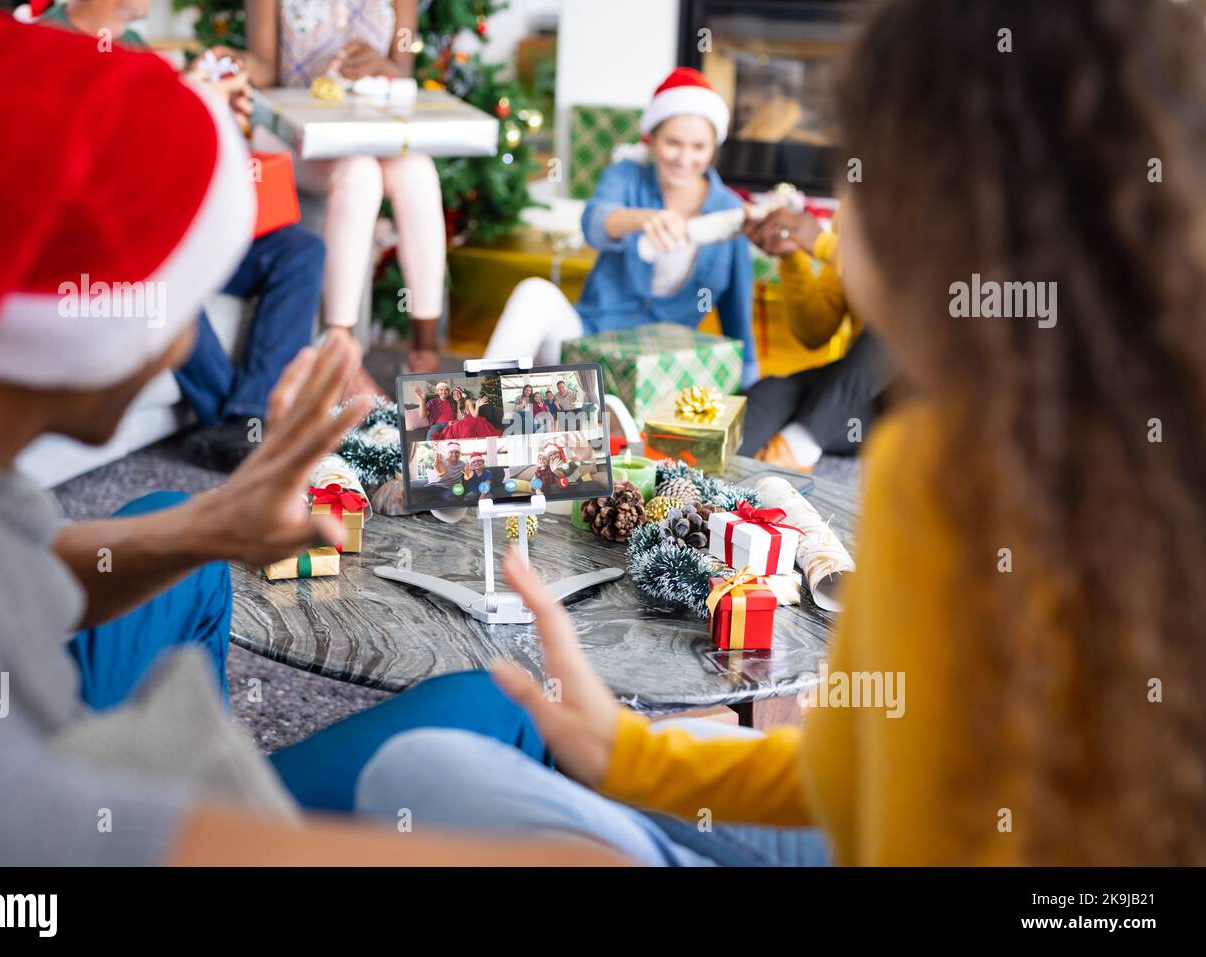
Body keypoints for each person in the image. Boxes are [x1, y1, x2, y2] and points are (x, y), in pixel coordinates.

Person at [344, 0, 1206, 866]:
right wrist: (624, 750)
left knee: (418, 775)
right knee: (431, 765)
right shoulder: (935, 458)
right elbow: (855, 775)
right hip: (850, 818)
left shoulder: (941, 484)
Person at [0, 12, 620, 867]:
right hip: (68, 825)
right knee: (505, 705)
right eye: (177, 305)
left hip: (84, 755)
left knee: (182, 520)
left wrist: (206, 528)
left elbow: (1, 571)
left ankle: (209, 757)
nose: (179, 347)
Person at [38, 0, 332, 472]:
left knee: (300, 250)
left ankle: (251, 418)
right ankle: (247, 426)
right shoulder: (45, 47)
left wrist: (215, 116)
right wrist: (187, 106)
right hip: (109, 249)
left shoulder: (133, 46)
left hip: (169, 230)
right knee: (166, 274)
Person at [483, 68, 759, 391]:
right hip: (588, 342)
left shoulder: (728, 213)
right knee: (535, 293)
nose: (685, 158)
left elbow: (738, 315)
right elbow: (594, 223)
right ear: (652, 139)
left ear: (713, 148)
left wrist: (750, 394)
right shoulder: (626, 176)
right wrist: (641, 219)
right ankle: (480, 409)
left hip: (660, 373)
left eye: (699, 147)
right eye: (673, 143)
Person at [245, 0, 447, 377]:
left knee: (418, 171)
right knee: (359, 174)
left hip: (368, 130)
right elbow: (265, 68)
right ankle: (341, 356)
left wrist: (381, 66)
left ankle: (425, 352)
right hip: (291, 134)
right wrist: (238, 65)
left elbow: (402, 71)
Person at [737, 207, 891, 472]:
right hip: (855, 390)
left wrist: (820, 242)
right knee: (767, 395)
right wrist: (791, 255)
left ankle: (800, 442)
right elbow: (815, 332)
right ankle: (706, 476)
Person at [439, 394, 503, 440]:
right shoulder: (455, 404)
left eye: (458, 393)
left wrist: (477, 406)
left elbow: (474, 415)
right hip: (462, 422)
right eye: (454, 394)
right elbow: (458, 418)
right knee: (451, 427)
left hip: (471, 420)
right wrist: (452, 421)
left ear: (461, 394)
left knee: (464, 428)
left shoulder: (467, 401)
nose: (456, 395)